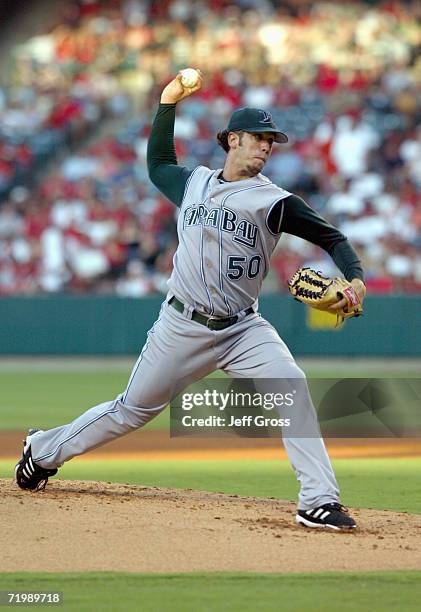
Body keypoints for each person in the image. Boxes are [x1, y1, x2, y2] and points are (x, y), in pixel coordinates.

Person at [15, 71, 366, 530]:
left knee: (291, 388)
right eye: (257, 138)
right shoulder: (193, 183)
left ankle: (317, 500)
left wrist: (355, 279)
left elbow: (333, 238)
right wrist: (167, 105)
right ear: (232, 139)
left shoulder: (274, 201)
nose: (265, 147)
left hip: (243, 328)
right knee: (130, 410)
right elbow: (158, 163)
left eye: (271, 141)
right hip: (181, 325)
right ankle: (43, 450)